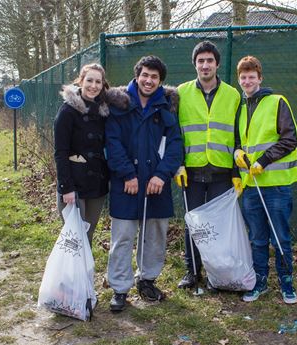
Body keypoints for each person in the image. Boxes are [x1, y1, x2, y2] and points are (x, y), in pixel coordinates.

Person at [105, 55, 183, 312]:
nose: (149, 81)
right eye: (145, 75)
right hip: (126, 184)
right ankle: (119, 288)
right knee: (123, 237)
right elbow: (112, 143)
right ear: (137, 75)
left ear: (161, 81)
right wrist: (128, 174)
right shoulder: (119, 104)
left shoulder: (167, 107)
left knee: (155, 235)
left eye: (155, 77)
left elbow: (175, 145)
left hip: (156, 185)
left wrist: (161, 175)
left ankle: (147, 279)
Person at [174, 41, 242, 291]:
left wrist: (236, 172)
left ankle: (218, 273)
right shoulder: (180, 93)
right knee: (194, 222)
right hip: (190, 170)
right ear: (195, 64)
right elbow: (175, 134)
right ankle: (192, 271)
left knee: (219, 226)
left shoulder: (233, 94)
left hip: (222, 171)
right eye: (200, 61)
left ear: (217, 64)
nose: (205, 65)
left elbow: (238, 136)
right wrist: (177, 164)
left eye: (209, 60)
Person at [234, 56, 297, 304]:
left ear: (260, 78)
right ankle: (260, 281)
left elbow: (290, 138)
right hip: (251, 185)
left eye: (252, 76)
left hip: (277, 185)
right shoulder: (240, 107)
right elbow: (240, 141)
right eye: (243, 77)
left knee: (280, 236)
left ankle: (287, 282)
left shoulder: (277, 102)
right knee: (257, 238)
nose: (247, 81)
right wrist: (237, 152)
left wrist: (264, 160)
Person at [54, 63, 127, 245]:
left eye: (98, 82)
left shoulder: (104, 112)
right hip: (74, 186)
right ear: (80, 81)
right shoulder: (67, 111)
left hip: (97, 185)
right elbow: (60, 152)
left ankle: (85, 273)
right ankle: (70, 274)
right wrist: (66, 187)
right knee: (74, 238)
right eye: (89, 80)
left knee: (88, 235)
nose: (93, 86)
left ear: (103, 85)